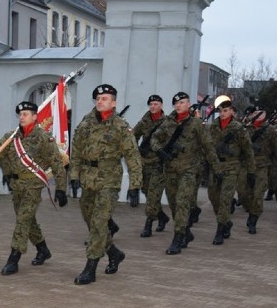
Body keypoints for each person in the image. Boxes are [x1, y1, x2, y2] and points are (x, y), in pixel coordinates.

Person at [0, 101, 68, 275]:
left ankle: (14, 258)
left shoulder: (43, 137)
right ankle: (43, 249)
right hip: (16, 186)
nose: (22, 117)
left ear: (34, 116)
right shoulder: (12, 137)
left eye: (26, 114)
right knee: (27, 219)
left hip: (33, 185)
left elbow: (56, 163)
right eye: (20, 114)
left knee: (23, 220)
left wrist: (61, 188)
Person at [68, 84, 142, 285]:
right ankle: (114, 253)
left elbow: (132, 156)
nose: (101, 102)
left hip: (109, 179)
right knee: (91, 221)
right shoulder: (86, 122)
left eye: (106, 99)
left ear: (114, 102)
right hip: (88, 178)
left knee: (100, 222)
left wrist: (135, 185)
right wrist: (73, 175)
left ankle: (90, 268)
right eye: (98, 99)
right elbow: (76, 151)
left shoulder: (120, 126)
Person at [151, 92, 220, 254]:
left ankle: (178, 236)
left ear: (188, 104)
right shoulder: (168, 122)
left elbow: (208, 147)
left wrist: (217, 169)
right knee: (174, 204)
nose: (178, 105)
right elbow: (154, 138)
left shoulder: (196, 124)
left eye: (182, 102)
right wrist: (160, 151)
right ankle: (186, 233)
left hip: (189, 170)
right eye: (176, 103)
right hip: (170, 169)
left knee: (182, 202)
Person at [206, 98, 256, 244]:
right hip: (216, 166)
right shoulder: (212, 127)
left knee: (225, 199)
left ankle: (220, 229)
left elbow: (248, 150)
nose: (222, 113)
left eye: (225, 110)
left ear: (231, 111)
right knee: (213, 197)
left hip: (232, 167)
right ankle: (226, 221)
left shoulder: (238, 128)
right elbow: (207, 147)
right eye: (220, 111)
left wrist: (251, 171)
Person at [239, 106, 277, 234]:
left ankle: (253, 218)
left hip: (262, 166)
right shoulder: (245, 128)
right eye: (255, 113)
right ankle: (249, 209)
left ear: (265, 114)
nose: (258, 115)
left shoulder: (271, 130)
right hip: (246, 165)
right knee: (243, 192)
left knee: (258, 194)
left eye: (260, 113)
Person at [133, 94, 170, 237]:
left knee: (153, 196)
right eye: (151, 104)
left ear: (161, 105)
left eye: (156, 104)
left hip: (159, 164)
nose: (153, 106)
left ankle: (148, 224)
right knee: (148, 193)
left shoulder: (167, 122)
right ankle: (162, 217)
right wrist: (136, 151)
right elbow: (133, 136)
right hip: (145, 162)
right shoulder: (144, 121)